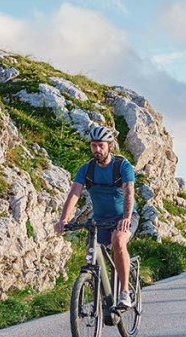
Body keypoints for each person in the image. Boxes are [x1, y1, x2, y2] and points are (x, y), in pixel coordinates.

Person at [55, 124, 139, 308]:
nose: (97, 149)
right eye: (93, 145)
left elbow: (129, 193)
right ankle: (98, 297)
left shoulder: (122, 166)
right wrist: (64, 219)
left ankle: (125, 292)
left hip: (125, 216)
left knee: (118, 241)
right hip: (100, 221)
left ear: (110, 146)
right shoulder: (87, 170)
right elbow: (74, 194)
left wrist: (125, 217)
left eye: (101, 145)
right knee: (91, 252)